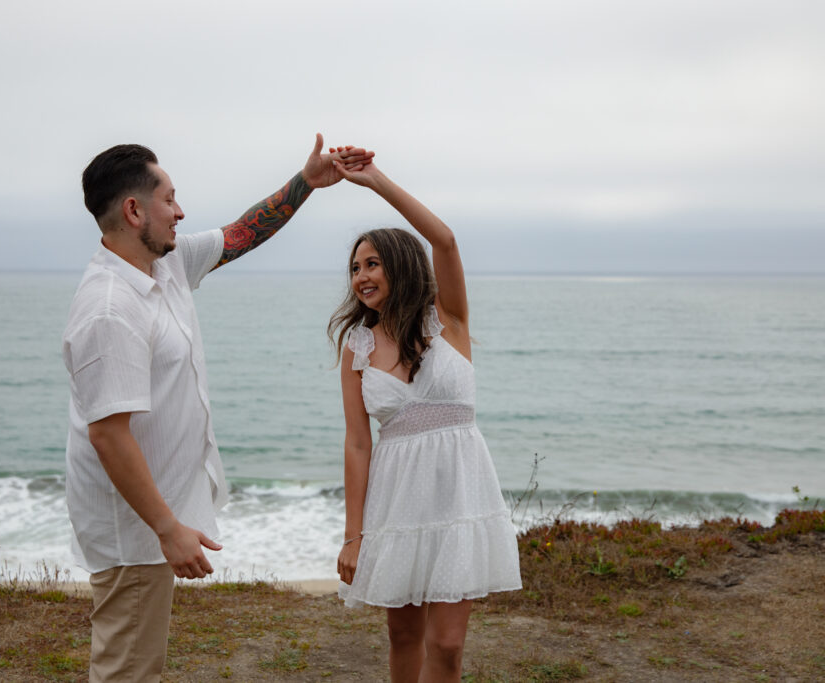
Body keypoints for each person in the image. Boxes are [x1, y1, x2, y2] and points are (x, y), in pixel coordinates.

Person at [63, 134, 373, 682]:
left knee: (138, 666)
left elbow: (240, 234)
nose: (181, 212)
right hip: (132, 529)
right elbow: (107, 435)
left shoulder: (167, 265)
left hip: (150, 521)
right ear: (134, 211)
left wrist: (307, 182)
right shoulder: (110, 308)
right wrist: (166, 528)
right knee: (126, 671)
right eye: (170, 199)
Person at [328, 157, 522, 682]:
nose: (361, 276)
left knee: (448, 643)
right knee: (404, 636)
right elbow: (357, 444)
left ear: (400, 264)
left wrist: (375, 182)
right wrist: (353, 535)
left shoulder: (449, 319)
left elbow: (447, 241)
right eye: (355, 268)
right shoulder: (358, 347)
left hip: (460, 494)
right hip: (398, 498)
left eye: (371, 263)